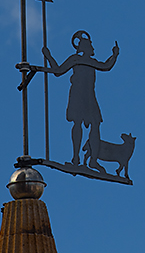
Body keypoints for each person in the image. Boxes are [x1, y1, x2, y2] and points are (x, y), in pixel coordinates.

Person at [43, 31, 119, 166]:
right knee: (77, 122)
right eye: (90, 45)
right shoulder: (75, 59)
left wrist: (114, 55)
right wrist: (49, 56)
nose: (92, 48)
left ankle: (93, 160)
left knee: (95, 124)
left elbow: (105, 66)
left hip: (90, 96)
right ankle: (76, 158)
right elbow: (58, 71)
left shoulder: (92, 62)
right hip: (78, 94)